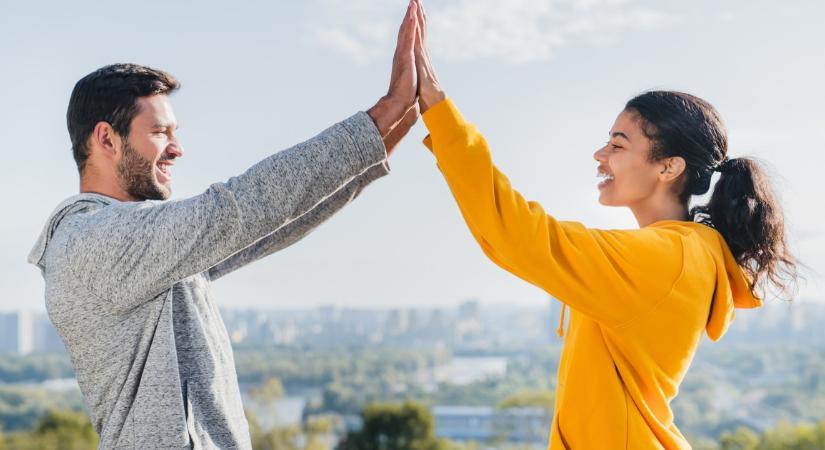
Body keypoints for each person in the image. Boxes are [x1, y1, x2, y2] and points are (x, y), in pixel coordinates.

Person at [26, 3, 422, 448]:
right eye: (160, 132)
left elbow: (270, 225)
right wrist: (387, 108)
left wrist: (397, 123)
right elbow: (239, 208)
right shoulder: (92, 241)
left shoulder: (139, 244)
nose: (177, 149)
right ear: (105, 139)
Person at [409, 0, 798, 448]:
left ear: (668, 167)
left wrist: (439, 112)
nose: (600, 155)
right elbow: (508, 240)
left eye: (618, 143)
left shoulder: (666, 259)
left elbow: (515, 233)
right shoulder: (680, 254)